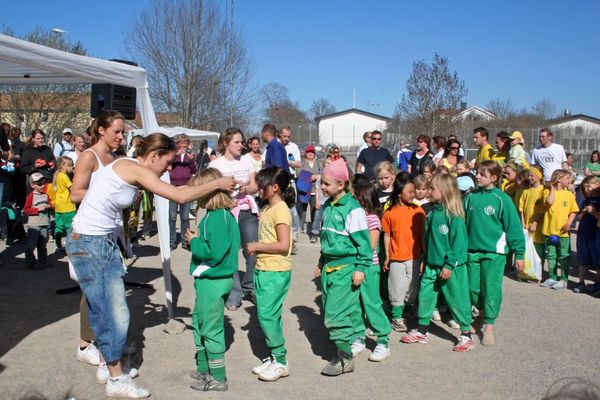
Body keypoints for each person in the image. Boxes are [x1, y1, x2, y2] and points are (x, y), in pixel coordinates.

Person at [66, 133, 235, 398]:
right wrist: (220, 182)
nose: (168, 169)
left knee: (109, 310)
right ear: (154, 155)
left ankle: (107, 366)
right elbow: (179, 196)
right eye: (167, 162)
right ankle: (115, 377)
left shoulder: (130, 168)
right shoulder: (134, 168)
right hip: (91, 244)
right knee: (113, 313)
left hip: (100, 243)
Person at [70, 111, 129, 374]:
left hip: (111, 231)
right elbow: (75, 194)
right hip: (90, 232)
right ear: (101, 130)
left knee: (103, 293)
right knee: (95, 292)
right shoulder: (89, 156)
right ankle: (87, 345)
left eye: (123, 132)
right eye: (116, 131)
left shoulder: (115, 159)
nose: (121, 136)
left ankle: (106, 346)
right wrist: (107, 195)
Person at [401, 174, 474, 352]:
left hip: (451, 268)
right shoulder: (433, 213)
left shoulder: (454, 216)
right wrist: (425, 259)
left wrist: (448, 265)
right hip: (431, 266)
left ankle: (466, 334)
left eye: (432, 189)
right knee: (425, 296)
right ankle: (422, 330)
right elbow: (429, 241)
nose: (429, 191)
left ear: (444, 191)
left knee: (457, 299)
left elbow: (459, 244)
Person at [314, 159, 371, 376]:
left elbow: (363, 243)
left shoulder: (353, 209)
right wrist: (321, 262)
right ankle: (346, 347)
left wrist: (361, 268)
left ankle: (345, 358)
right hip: (329, 267)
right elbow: (327, 238)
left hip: (346, 268)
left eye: (326, 184)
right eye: (321, 182)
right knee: (336, 311)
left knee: (333, 315)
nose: (322, 187)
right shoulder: (328, 206)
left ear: (341, 185)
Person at [185, 168, 240, 392]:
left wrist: (194, 241)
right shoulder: (219, 215)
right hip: (214, 279)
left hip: (213, 280)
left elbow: (214, 253)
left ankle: (218, 378)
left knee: (210, 327)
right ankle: (204, 367)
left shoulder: (216, 217)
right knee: (200, 321)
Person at [464, 160, 525, 346]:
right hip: (471, 252)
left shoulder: (502, 199)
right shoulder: (469, 197)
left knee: (491, 288)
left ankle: (489, 325)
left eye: (482, 174)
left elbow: (513, 227)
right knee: (473, 289)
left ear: (493, 178)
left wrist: (519, 253)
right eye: (477, 173)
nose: (477, 176)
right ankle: (481, 313)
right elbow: (461, 223)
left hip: (494, 253)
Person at [246, 166, 294, 382]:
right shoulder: (267, 208)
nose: (258, 189)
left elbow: (283, 245)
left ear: (275, 187)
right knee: (269, 314)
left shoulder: (280, 210)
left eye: (262, 186)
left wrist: (257, 246)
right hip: (264, 268)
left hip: (275, 270)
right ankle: (274, 357)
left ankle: (281, 361)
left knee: (266, 315)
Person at [209, 128, 259, 310]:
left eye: (241, 142)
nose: (241, 145)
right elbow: (209, 189)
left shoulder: (246, 160)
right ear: (225, 143)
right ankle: (234, 294)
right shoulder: (216, 165)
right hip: (226, 213)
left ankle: (250, 287)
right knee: (230, 254)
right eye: (236, 142)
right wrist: (225, 191)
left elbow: (255, 185)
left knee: (253, 251)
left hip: (246, 212)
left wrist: (247, 189)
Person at [350, 178, 392, 362]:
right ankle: (358, 337)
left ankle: (383, 340)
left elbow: (370, 246)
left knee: (371, 303)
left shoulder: (372, 219)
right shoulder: (353, 217)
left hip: (368, 267)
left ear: (364, 200)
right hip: (354, 267)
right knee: (355, 304)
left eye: (355, 198)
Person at [381, 175, 426, 332]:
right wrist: (388, 256)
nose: (414, 194)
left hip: (415, 257)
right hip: (396, 258)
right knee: (397, 287)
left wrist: (424, 255)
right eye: (410, 192)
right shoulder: (389, 213)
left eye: (414, 191)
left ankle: (406, 312)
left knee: (412, 289)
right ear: (400, 193)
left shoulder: (418, 211)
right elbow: (387, 235)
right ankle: (397, 317)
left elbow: (422, 235)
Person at [539, 169, 579, 290]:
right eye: (567, 178)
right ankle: (552, 277)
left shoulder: (569, 194)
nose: (570, 180)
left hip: (563, 232)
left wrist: (569, 223)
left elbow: (573, 211)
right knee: (551, 255)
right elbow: (549, 202)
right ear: (558, 179)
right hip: (549, 230)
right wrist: (552, 188)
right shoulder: (546, 191)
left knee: (564, 255)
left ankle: (564, 280)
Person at [169, 133, 197, 250]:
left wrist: (191, 161)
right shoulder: (172, 155)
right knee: (172, 217)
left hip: (186, 187)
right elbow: (167, 165)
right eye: (181, 143)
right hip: (173, 188)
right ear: (177, 144)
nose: (183, 145)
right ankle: (171, 242)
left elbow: (194, 170)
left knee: (185, 217)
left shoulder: (189, 156)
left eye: (185, 143)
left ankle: (186, 242)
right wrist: (176, 155)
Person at [573, 176, 600, 294]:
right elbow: (579, 218)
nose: (586, 189)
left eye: (588, 186)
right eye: (584, 188)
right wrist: (584, 212)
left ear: (597, 185)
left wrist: (594, 212)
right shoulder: (586, 200)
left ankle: (597, 284)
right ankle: (581, 283)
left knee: (597, 261)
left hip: (595, 234)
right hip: (583, 233)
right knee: (582, 260)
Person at [23, 172, 51, 269]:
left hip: (44, 224)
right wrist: (37, 209)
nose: (42, 185)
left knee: (42, 245)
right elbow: (26, 210)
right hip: (34, 225)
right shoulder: (31, 196)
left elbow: (50, 205)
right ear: (32, 185)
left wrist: (49, 206)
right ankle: (30, 262)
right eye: (39, 184)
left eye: (43, 183)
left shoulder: (46, 195)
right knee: (31, 245)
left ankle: (42, 262)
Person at [519, 166, 546, 266]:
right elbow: (521, 209)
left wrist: (535, 223)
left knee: (538, 251)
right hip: (526, 226)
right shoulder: (526, 191)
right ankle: (525, 271)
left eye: (532, 175)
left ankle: (538, 271)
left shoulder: (543, 191)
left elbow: (543, 210)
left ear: (539, 176)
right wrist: (523, 223)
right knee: (526, 250)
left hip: (538, 228)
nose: (529, 178)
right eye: (528, 176)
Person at [296, 145, 320, 242]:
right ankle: (299, 228)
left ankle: (313, 233)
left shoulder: (318, 163)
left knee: (315, 212)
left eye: (312, 152)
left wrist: (317, 176)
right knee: (302, 211)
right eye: (308, 152)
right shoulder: (302, 163)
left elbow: (323, 173)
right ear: (305, 153)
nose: (310, 154)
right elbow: (299, 173)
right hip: (304, 190)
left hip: (315, 191)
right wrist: (310, 176)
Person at [52, 157, 76, 251]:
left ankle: (58, 245)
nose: (72, 167)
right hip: (67, 206)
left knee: (59, 226)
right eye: (70, 165)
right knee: (70, 227)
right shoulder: (64, 176)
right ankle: (71, 245)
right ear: (63, 166)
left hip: (59, 205)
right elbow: (72, 188)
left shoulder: (57, 175)